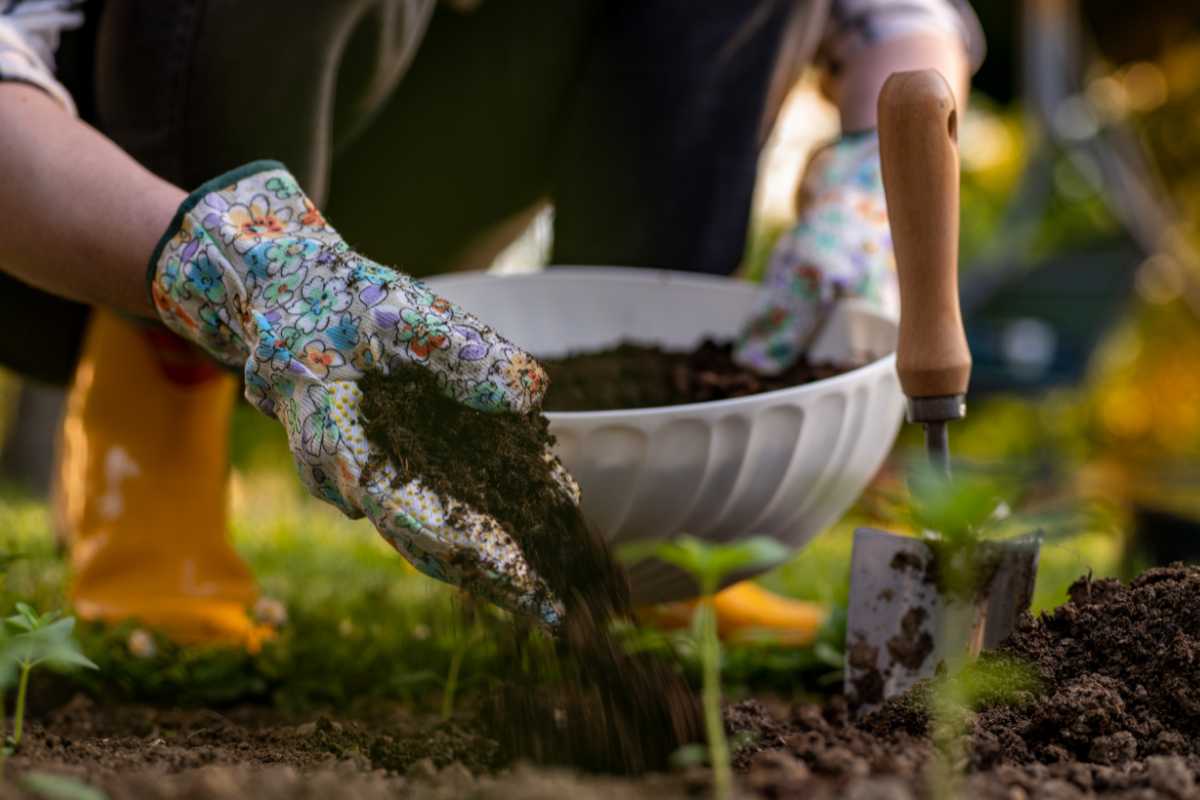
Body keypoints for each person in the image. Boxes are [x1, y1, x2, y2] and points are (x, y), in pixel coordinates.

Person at [0, 0, 982, 647]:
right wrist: (243, 269)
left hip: (433, 174)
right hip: (106, 205)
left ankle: (661, 501)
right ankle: (157, 439)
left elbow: (894, 18)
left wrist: (867, 183)